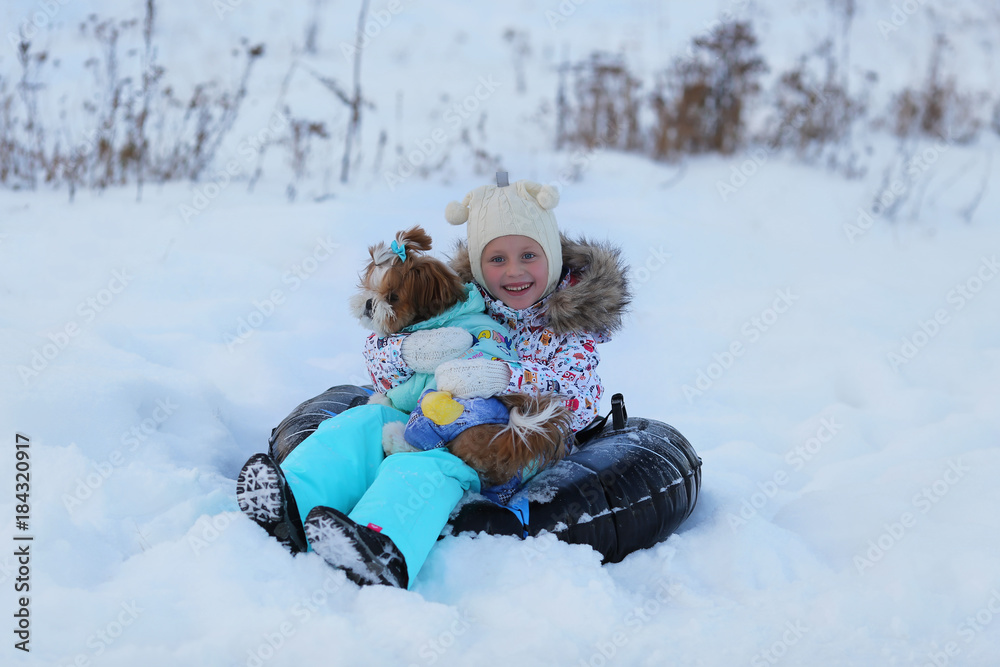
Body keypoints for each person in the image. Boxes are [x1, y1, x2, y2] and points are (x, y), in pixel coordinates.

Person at [236, 174, 630, 589]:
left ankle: (383, 543)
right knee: (365, 422)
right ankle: (294, 496)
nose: (514, 271)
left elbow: (578, 397)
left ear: (552, 257)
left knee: (430, 463)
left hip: (510, 443)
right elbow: (380, 352)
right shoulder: (462, 301)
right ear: (477, 264)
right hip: (434, 411)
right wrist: (409, 352)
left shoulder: (571, 324)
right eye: (497, 259)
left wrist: (501, 377)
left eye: (529, 255)